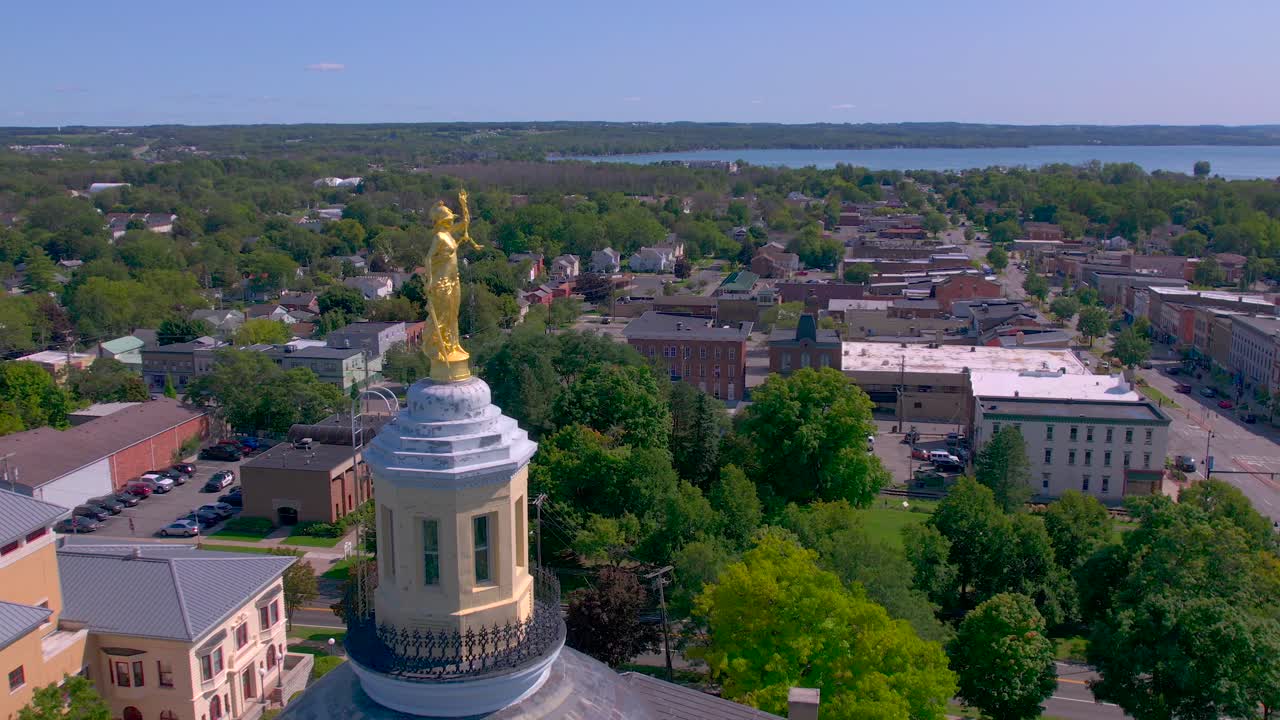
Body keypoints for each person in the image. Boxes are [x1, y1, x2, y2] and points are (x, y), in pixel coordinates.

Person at [422, 190, 483, 382]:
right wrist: (430, 281)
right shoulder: (439, 237)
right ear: (441, 221)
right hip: (441, 283)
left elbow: (465, 224)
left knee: (452, 315)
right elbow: (428, 259)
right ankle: (438, 348)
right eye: (448, 219)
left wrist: (464, 204)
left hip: (454, 280)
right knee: (442, 316)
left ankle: (453, 345)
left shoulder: (448, 233)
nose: (450, 222)